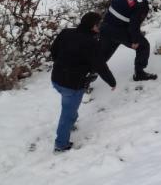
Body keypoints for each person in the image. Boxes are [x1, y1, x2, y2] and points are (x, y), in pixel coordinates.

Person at [50, 12, 117, 153]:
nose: (100, 26)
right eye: (98, 24)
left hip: (56, 79)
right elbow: (100, 66)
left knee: (69, 108)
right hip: (72, 85)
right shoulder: (91, 43)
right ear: (92, 26)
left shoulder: (66, 32)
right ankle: (61, 145)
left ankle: (69, 125)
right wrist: (112, 82)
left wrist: (63, 64)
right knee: (67, 113)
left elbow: (53, 51)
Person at [99, 0, 161, 81]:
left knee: (101, 56)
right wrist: (135, 40)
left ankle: (84, 78)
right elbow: (134, 26)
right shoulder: (142, 4)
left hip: (105, 25)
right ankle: (139, 74)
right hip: (119, 30)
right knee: (143, 46)